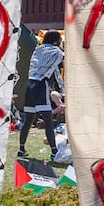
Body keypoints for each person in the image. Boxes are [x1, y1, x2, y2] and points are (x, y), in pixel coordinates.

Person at [19, 30, 64, 158]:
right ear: (56, 41)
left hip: (29, 84)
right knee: (48, 120)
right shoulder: (57, 52)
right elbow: (62, 57)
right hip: (40, 85)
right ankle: (54, 151)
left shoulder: (38, 49)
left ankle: (21, 149)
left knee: (28, 120)